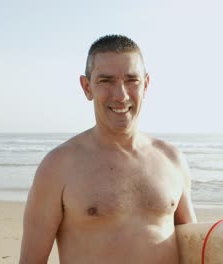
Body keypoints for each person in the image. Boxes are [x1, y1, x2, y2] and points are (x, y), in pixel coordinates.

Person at [19, 34, 197, 264]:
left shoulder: (172, 159)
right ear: (87, 87)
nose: (121, 95)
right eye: (106, 81)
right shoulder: (59, 166)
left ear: (146, 85)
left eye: (131, 80)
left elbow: (194, 247)